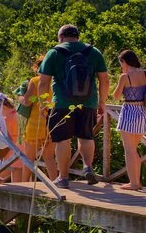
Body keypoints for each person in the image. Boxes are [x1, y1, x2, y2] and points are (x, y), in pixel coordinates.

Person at [38, 25, 109, 188]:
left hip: (62, 103)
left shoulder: (54, 52)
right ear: (77, 36)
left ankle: (63, 177)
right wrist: (102, 102)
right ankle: (88, 167)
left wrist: (44, 104)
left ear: (60, 37)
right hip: (88, 102)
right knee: (86, 136)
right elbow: (104, 80)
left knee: (63, 140)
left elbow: (43, 83)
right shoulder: (93, 52)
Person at [18, 56, 59, 182]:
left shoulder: (35, 80)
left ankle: (25, 184)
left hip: (35, 123)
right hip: (51, 121)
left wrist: (19, 96)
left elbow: (26, 102)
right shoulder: (56, 81)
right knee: (49, 158)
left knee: (28, 158)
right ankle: (56, 183)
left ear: (38, 68)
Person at [112, 50, 145, 191]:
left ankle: (134, 183)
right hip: (142, 112)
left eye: (121, 63)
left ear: (124, 62)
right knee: (134, 149)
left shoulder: (125, 77)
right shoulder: (144, 73)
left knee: (129, 149)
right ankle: (136, 181)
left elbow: (116, 96)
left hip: (129, 111)